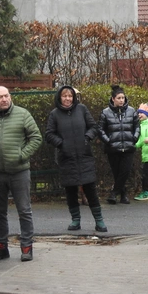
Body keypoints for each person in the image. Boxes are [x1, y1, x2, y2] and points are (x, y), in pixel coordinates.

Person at [46, 85, 107, 232]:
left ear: (73, 97)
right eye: (64, 96)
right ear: (59, 97)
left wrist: (87, 138)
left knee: (90, 189)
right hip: (66, 158)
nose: (67, 99)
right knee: (71, 191)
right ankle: (75, 220)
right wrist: (61, 143)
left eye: (70, 96)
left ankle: (99, 220)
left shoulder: (82, 109)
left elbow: (94, 127)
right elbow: (49, 134)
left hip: (84, 156)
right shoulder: (54, 114)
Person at [0, 86, 42, 261]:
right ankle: (1, 246)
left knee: (24, 210)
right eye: (0, 97)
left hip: (19, 172)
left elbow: (36, 137)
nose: (4, 99)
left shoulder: (22, 114)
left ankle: (26, 246)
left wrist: (21, 155)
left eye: (6, 96)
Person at [99, 85, 140, 205]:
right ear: (113, 99)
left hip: (128, 147)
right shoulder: (105, 113)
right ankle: (123, 195)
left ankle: (113, 193)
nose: (121, 100)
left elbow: (137, 126)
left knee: (125, 171)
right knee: (117, 173)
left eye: (123, 97)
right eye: (119, 98)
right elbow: (100, 129)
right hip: (113, 148)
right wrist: (108, 141)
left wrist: (135, 138)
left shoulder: (132, 111)